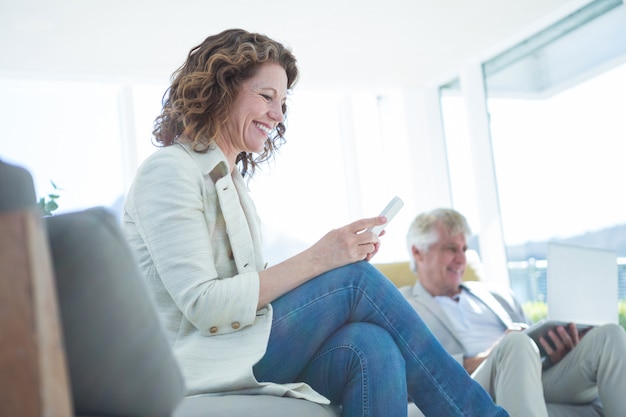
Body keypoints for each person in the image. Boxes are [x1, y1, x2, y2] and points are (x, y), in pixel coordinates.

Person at [122, 29, 508, 417]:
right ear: (221, 89)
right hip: (196, 362)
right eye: (266, 96)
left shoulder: (229, 181)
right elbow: (205, 305)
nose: (277, 114)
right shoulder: (169, 171)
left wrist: (326, 263)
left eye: (283, 101)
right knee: (356, 279)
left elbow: (243, 293)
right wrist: (322, 259)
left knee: (372, 345)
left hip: (237, 348)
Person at [400, 208, 626, 417]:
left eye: (464, 249)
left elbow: (528, 346)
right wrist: (490, 354)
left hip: (529, 377)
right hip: (467, 386)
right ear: (418, 252)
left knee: (610, 336)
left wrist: (552, 355)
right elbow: (405, 375)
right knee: (515, 343)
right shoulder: (402, 306)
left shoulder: (498, 294)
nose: (461, 259)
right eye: (450, 248)